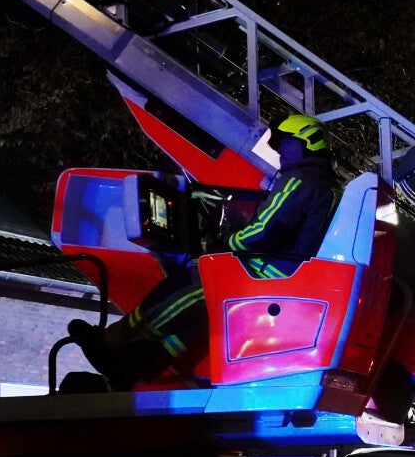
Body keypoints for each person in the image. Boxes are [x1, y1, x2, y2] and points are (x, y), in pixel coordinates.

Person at [70, 114, 342, 388]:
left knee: (191, 282)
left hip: (268, 271)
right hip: (287, 274)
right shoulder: (328, 185)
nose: (281, 151)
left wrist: (229, 241)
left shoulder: (300, 181)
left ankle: (114, 341)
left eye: (285, 143)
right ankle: (135, 366)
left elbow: (263, 230)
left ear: (307, 141)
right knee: (202, 317)